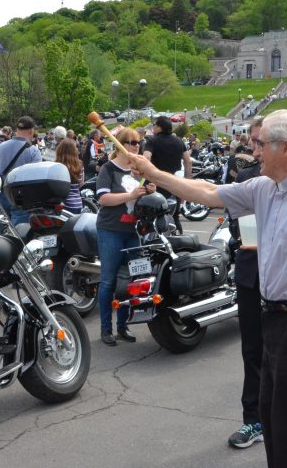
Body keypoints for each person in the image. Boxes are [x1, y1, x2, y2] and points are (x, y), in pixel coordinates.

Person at [129, 109, 287, 467]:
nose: (254, 152)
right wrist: (154, 174)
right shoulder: (266, 187)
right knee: (275, 423)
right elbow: (208, 192)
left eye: (261, 145)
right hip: (274, 318)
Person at [226, 115, 266, 449]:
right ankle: (253, 420)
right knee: (252, 349)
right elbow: (237, 222)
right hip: (252, 270)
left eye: (260, 142)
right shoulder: (249, 177)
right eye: (252, 141)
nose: (253, 149)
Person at [95, 126, 153, 346]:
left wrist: (150, 191)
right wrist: (130, 194)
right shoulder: (108, 169)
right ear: (119, 146)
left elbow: (142, 200)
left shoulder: (138, 171)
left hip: (133, 231)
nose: (135, 146)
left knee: (131, 280)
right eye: (130, 142)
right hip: (110, 230)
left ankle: (123, 326)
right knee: (109, 280)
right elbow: (103, 199)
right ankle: (106, 329)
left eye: (138, 142)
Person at [143, 116, 192, 232]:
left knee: (149, 216)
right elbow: (188, 161)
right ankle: (178, 239)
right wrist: (187, 180)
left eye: (154, 125)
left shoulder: (152, 141)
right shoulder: (179, 141)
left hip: (154, 183)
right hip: (173, 183)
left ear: (159, 127)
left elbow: (146, 158)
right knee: (174, 215)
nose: (153, 128)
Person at [0, 116, 43, 225]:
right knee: (18, 230)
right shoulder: (33, 151)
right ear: (31, 131)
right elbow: (36, 175)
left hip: (1, 191)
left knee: (1, 224)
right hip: (21, 195)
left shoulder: (2, 145)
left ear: (17, 130)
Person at [55, 139, 85, 215]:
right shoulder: (79, 165)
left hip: (64, 205)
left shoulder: (57, 166)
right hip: (78, 204)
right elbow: (81, 184)